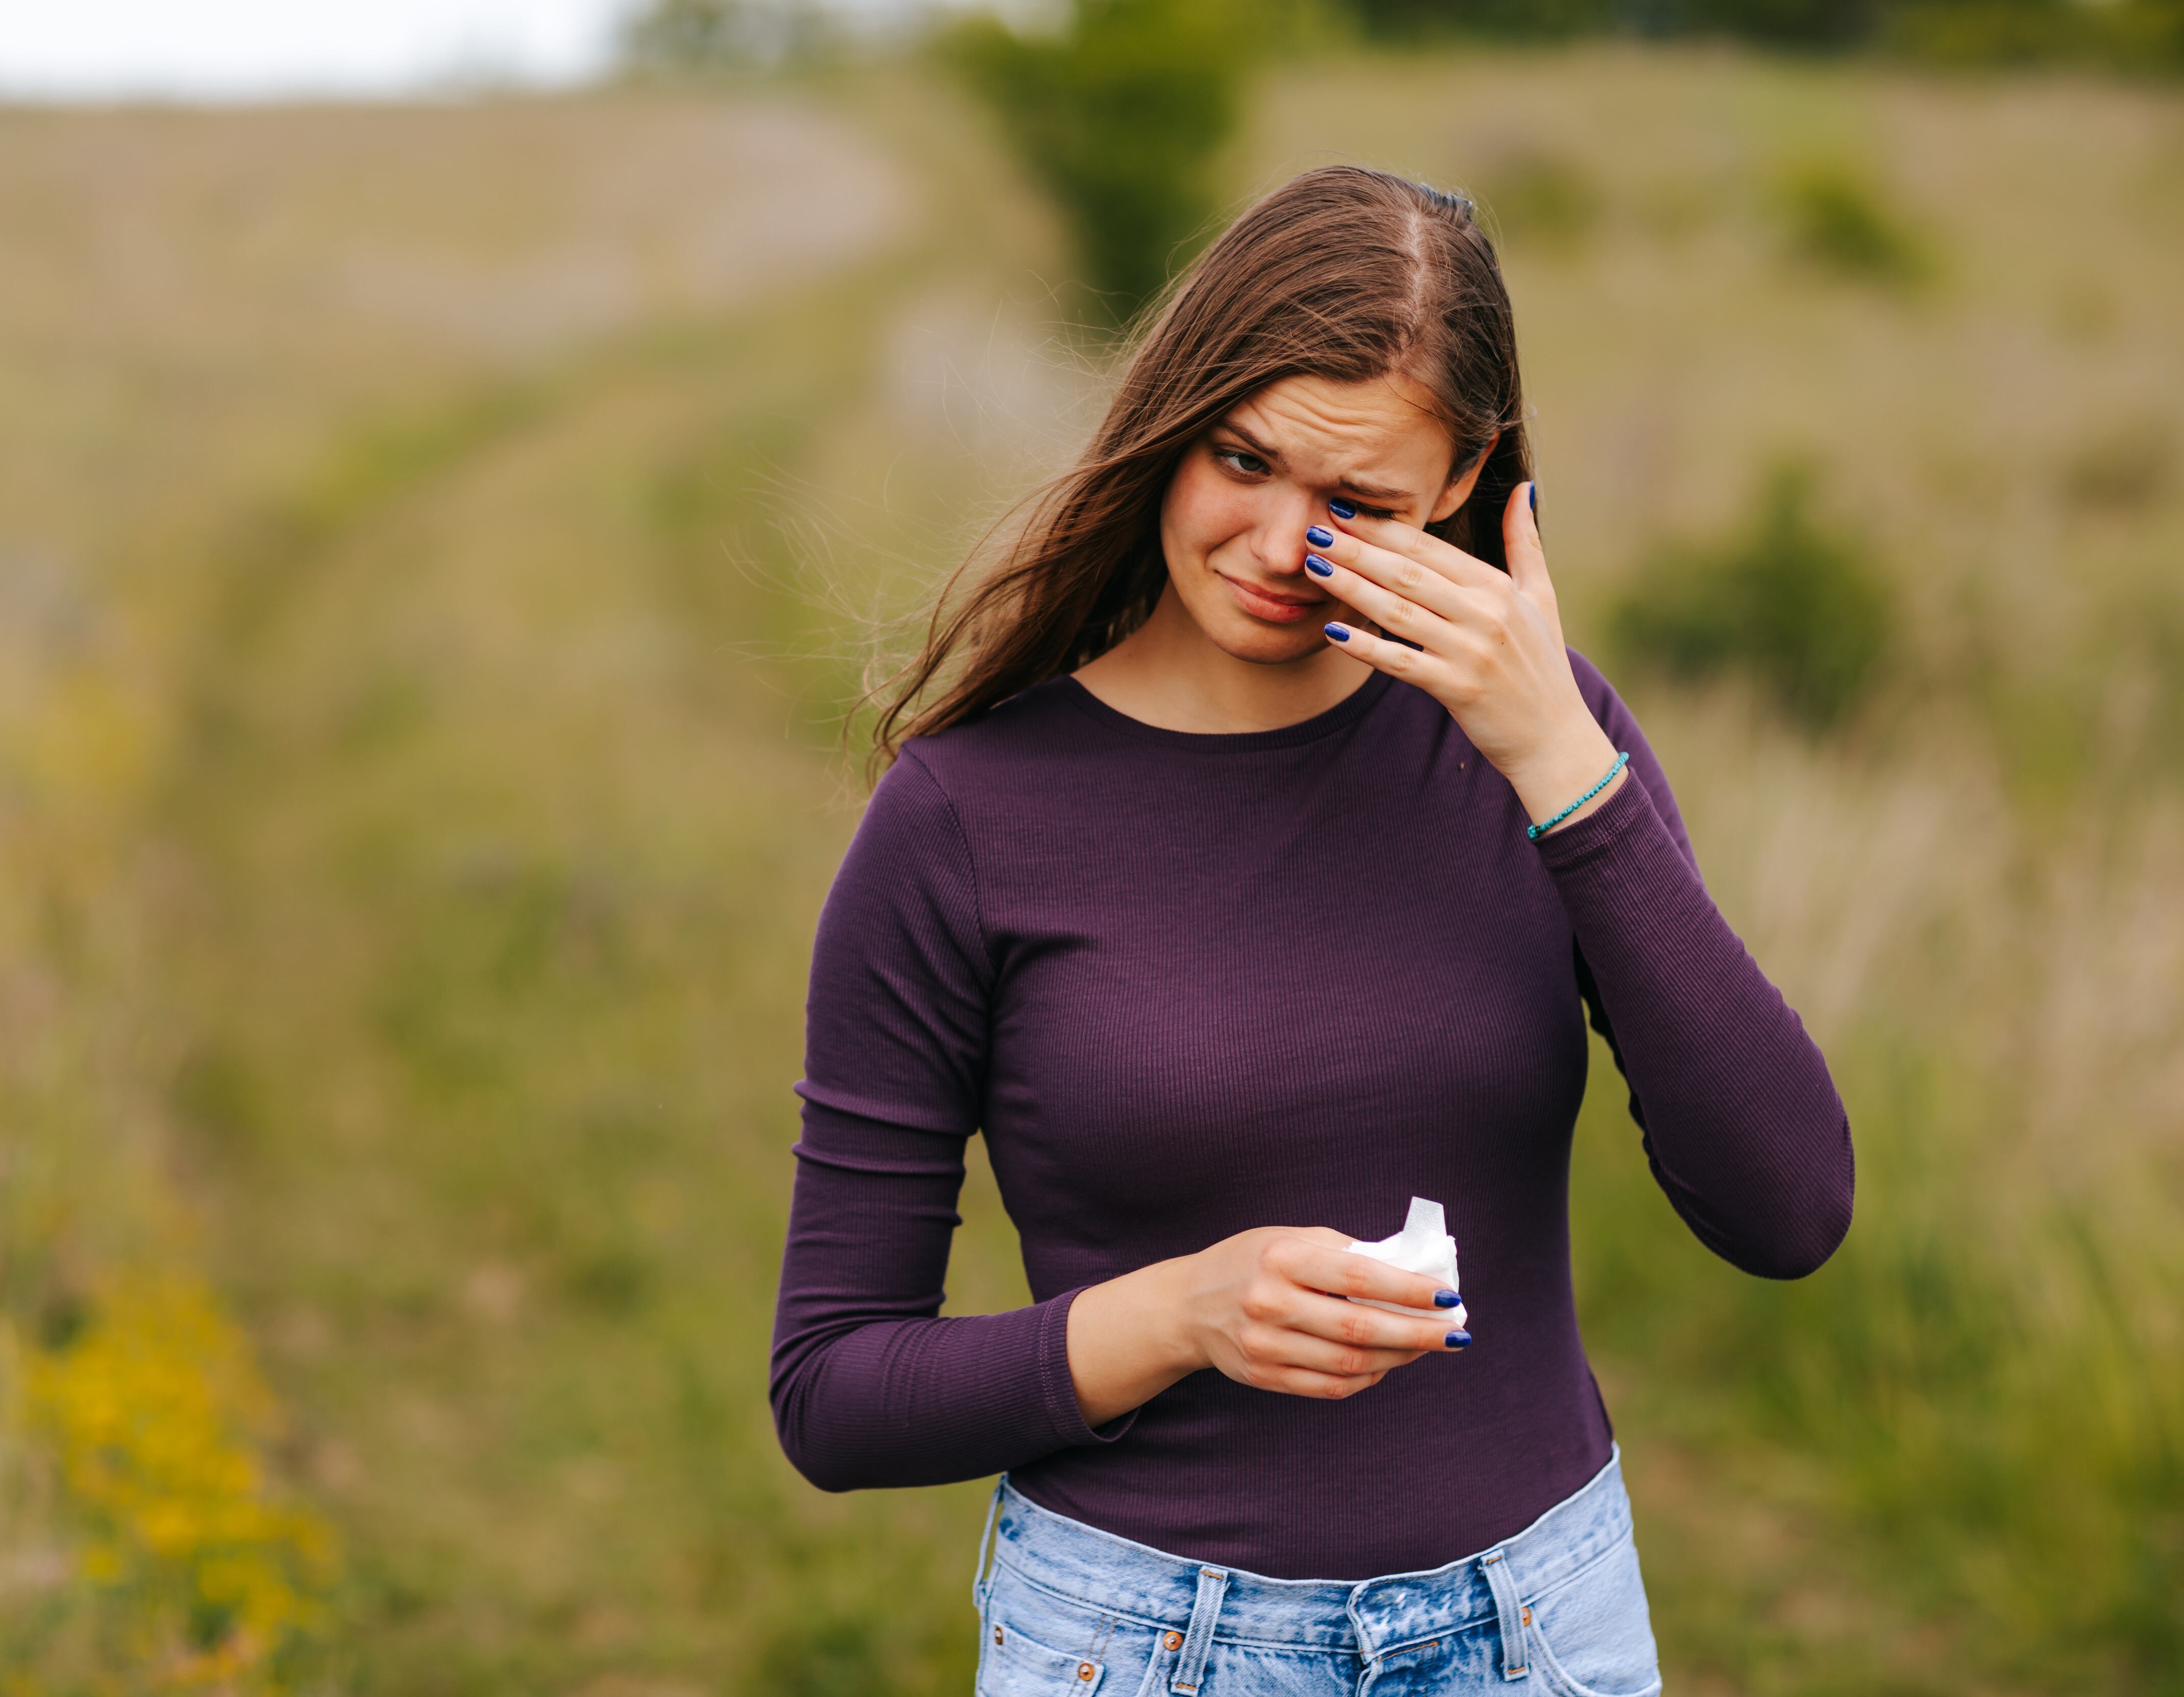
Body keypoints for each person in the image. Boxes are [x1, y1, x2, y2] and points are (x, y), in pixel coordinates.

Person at [770, 165, 1851, 1697]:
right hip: (1144, 1647)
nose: (1283, 547)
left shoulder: (1549, 751)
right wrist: (1177, 1314)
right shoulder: (967, 820)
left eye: (1357, 506)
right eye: (1243, 461)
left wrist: (1560, 767)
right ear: (1173, 421)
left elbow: (1789, 1210)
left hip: (1543, 1631)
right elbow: (834, 1393)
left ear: (1468, 483)